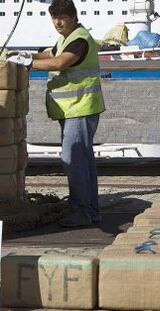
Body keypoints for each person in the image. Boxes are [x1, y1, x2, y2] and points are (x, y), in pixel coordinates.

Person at [7, 0, 105, 227]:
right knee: (83, 161)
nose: (58, 22)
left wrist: (28, 62)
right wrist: (24, 54)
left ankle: (82, 211)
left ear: (73, 17)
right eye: (54, 18)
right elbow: (50, 53)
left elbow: (59, 62)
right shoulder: (66, 39)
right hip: (74, 109)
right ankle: (90, 210)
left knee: (74, 160)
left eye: (62, 18)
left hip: (80, 108)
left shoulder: (80, 39)